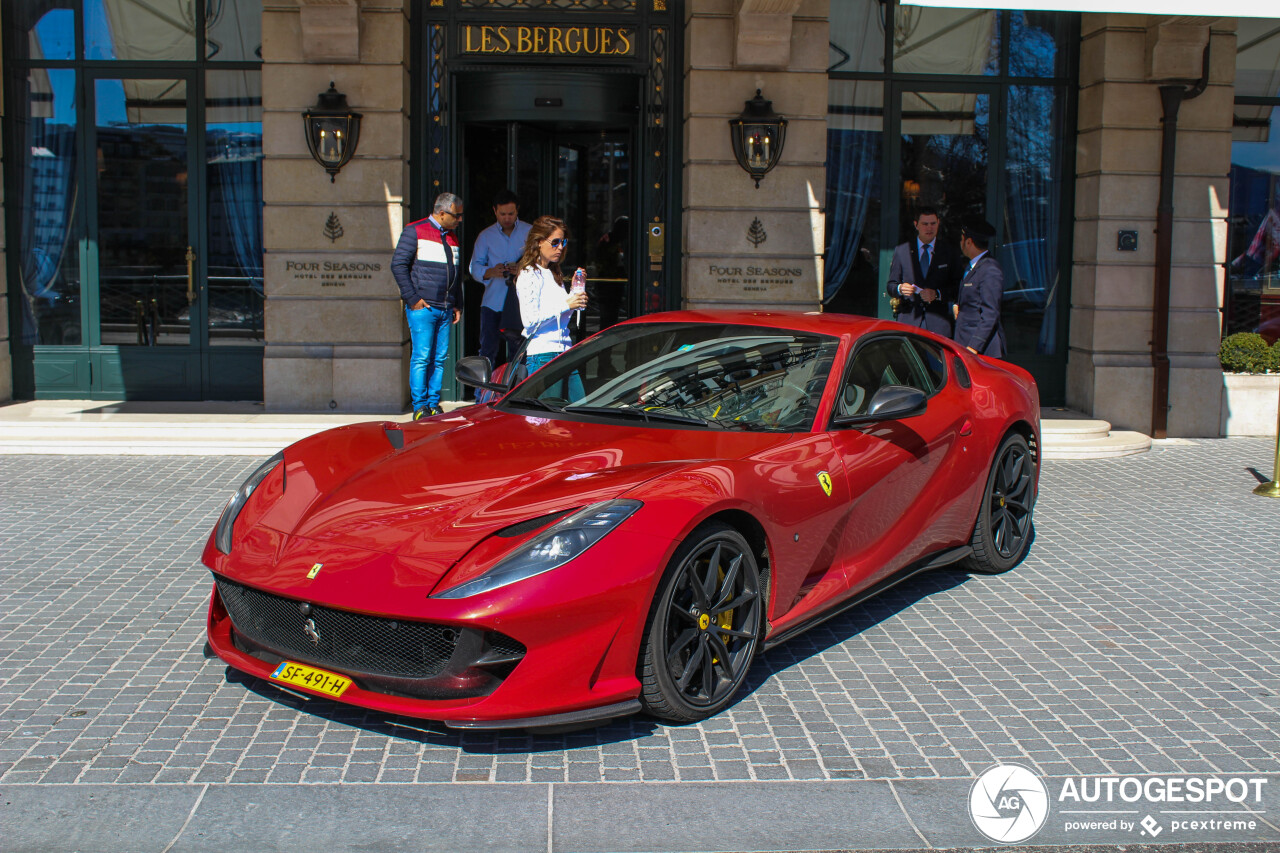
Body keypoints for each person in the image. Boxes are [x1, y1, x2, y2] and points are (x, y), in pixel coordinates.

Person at [391, 192, 464, 419]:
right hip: (424, 308)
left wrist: (456, 303)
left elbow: (456, 273)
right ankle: (420, 406)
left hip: (444, 308)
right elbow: (398, 265)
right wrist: (412, 299)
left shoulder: (452, 237)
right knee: (422, 356)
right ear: (442, 213)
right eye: (456, 215)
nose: (459, 220)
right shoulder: (415, 230)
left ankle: (433, 403)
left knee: (439, 358)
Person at [514, 216, 588, 400]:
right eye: (555, 242)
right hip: (542, 354)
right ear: (539, 242)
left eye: (563, 242)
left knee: (580, 408)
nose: (560, 247)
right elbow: (530, 321)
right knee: (548, 417)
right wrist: (566, 304)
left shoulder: (554, 273)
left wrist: (575, 296)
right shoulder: (529, 274)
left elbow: (561, 317)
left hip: (564, 350)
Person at [468, 189, 531, 368]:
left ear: (517, 210)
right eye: (502, 214)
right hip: (492, 301)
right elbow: (474, 268)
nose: (507, 218)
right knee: (487, 350)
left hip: (520, 302)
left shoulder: (529, 232)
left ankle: (515, 391)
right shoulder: (486, 236)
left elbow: (539, 263)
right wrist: (491, 272)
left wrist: (521, 268)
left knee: (519, 352)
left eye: (511, 213)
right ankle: (484, 394)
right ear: (495, 211)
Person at [885, 206, 960, 336]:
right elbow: (891, 285)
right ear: (916, 225)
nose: (929, 228)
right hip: (909, 321)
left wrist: (937, 294)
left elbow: (958, 287)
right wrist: (900, 289)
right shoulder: (902, 251)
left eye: (933, 224)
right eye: (925, 224)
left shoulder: (949, 251)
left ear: (938, 223)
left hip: (938, 324)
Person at [953, 218, 1007, 358]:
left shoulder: (990, 269)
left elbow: (990, 313)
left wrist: (973, 347)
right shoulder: (972, 267)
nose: (960, 243)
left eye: (961, 239)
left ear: (969, 242)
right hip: (966, 345)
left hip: (982, 351)